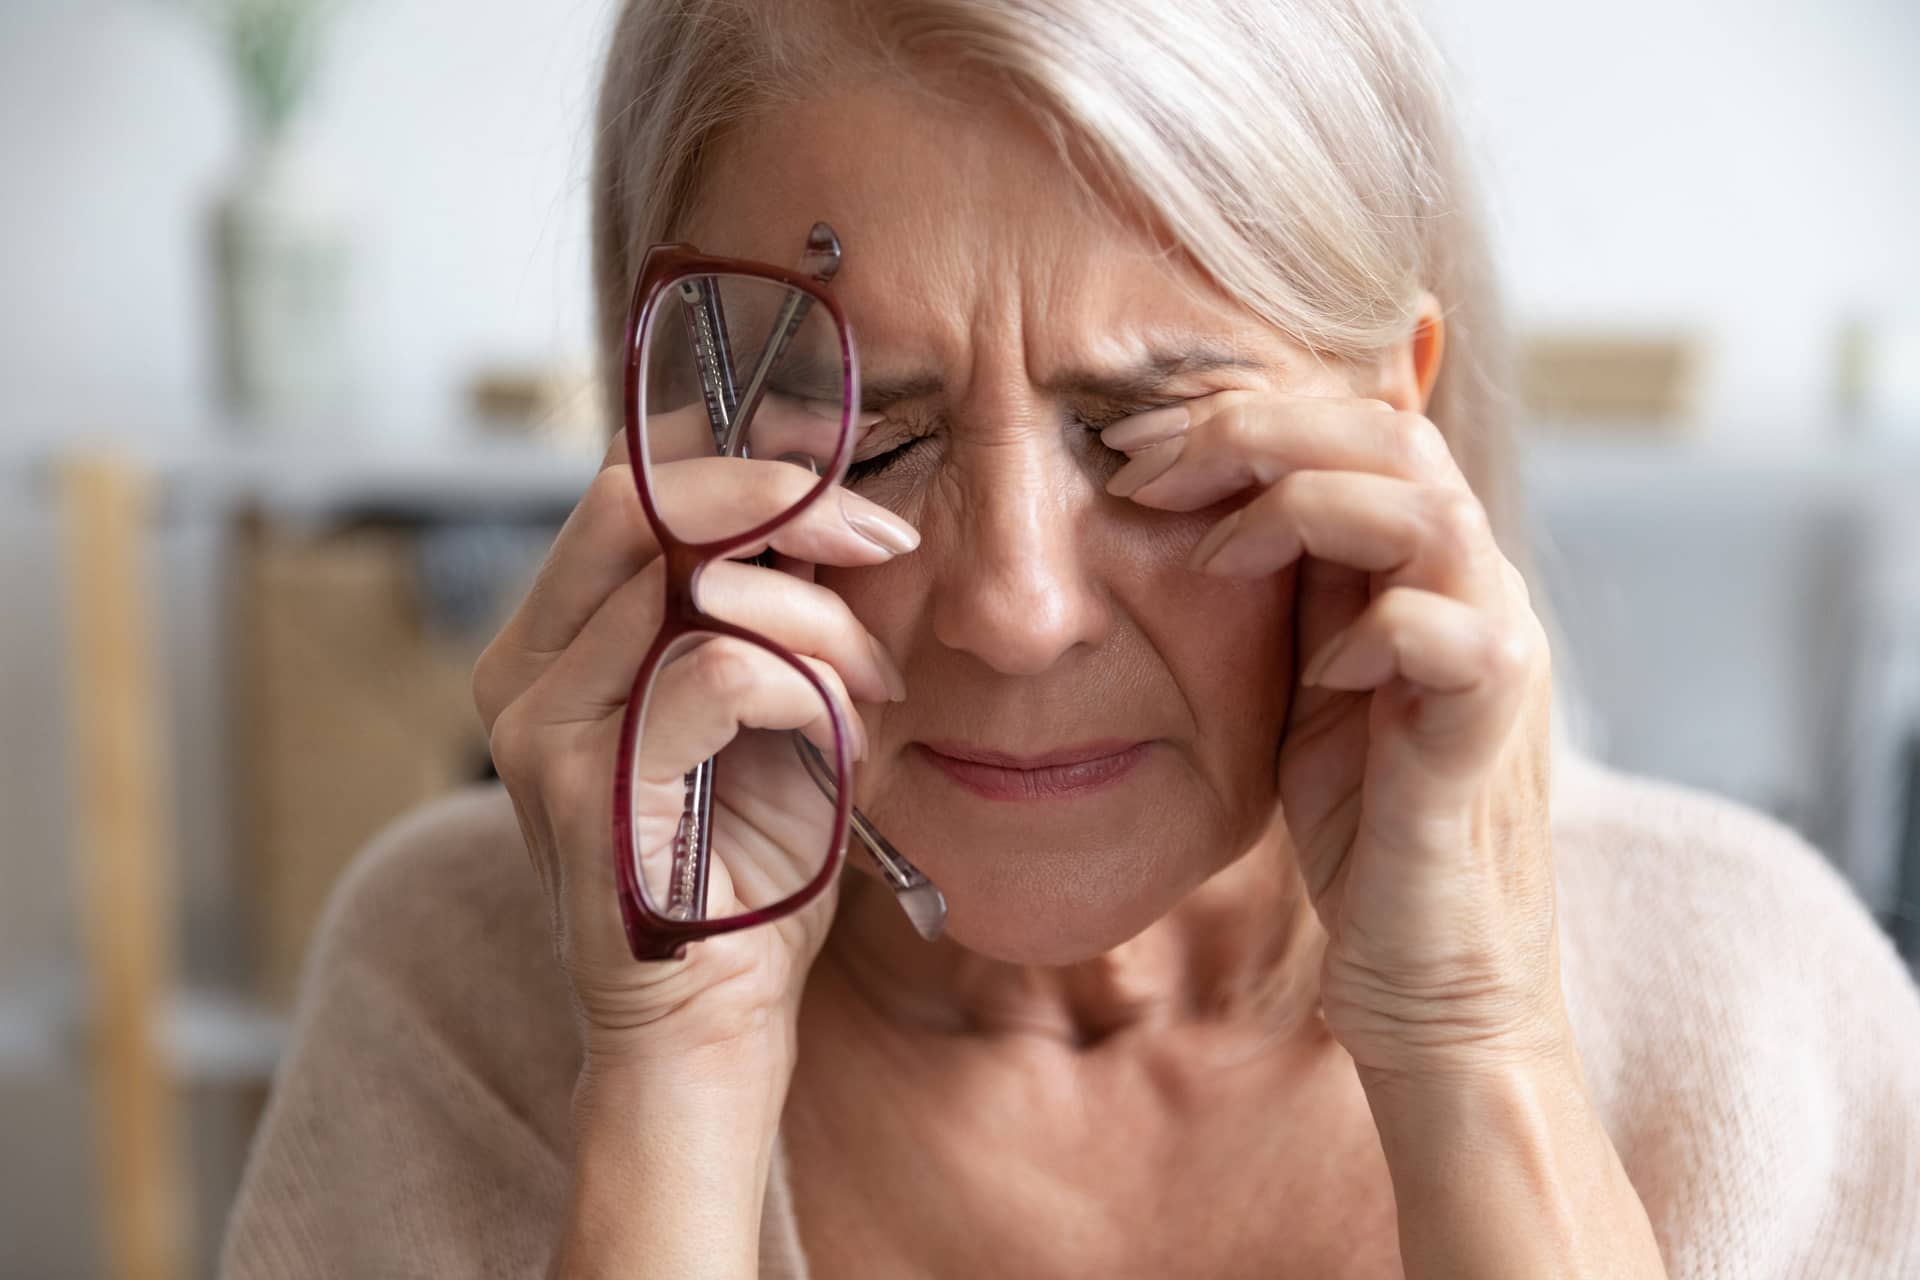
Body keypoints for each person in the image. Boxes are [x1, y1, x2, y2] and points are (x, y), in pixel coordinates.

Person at [222, 0, 1920, 1275]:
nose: (1018, 611)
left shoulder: (1752, 1006)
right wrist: (673, 1075)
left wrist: (1476, 1038)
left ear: (1396, 425)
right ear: (670, 444)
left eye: (1149, 437)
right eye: (869, 441)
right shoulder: (460, 991)